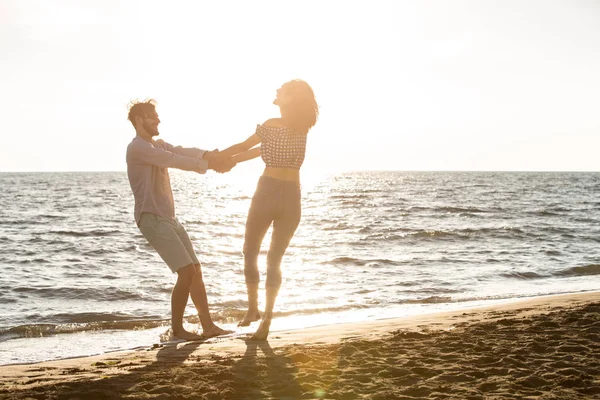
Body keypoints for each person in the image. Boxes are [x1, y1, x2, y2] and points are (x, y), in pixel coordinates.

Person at [214, 80, 319, 340]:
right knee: (275, 260)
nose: (276, 92)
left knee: (250, 251)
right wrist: (234, 162)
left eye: (281, 90)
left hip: (268, 191)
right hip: (292, 196)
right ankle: (265, 320)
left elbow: (243, 146)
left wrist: (214, 158)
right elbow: (262, 150)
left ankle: (253, 310)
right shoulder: (301, 128)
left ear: (290, 98)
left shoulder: (272, 124)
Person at [125, 99, 234, 341]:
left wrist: (208, 155)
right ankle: (177, 330)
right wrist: (209, 164)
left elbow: (181, 152)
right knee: (185, 271)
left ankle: (208, 326)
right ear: (138, 120)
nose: (158, 120)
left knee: (195, 269)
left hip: (169, 217)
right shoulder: (138, 148)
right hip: (151, 218)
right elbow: (172, 160)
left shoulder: (158, 144)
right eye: (153, 116)